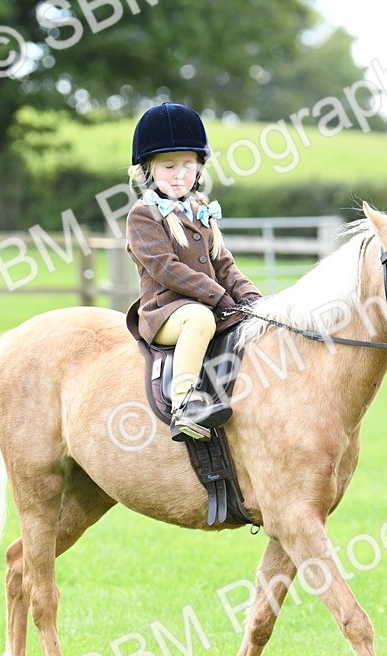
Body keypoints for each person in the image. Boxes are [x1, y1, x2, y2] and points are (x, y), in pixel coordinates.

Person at [125, 102, 262, 442]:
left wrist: (254, 302)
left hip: (210, 304)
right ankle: (184, 402)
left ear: (199, 169)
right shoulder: (143, 216)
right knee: (199, 318)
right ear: (148, 171)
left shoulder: (200, 210)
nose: (179, 174)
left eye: (188, 166)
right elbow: (167, 269)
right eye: (168, 166)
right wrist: (218, 296)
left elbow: (224, 264)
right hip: (167, 313)